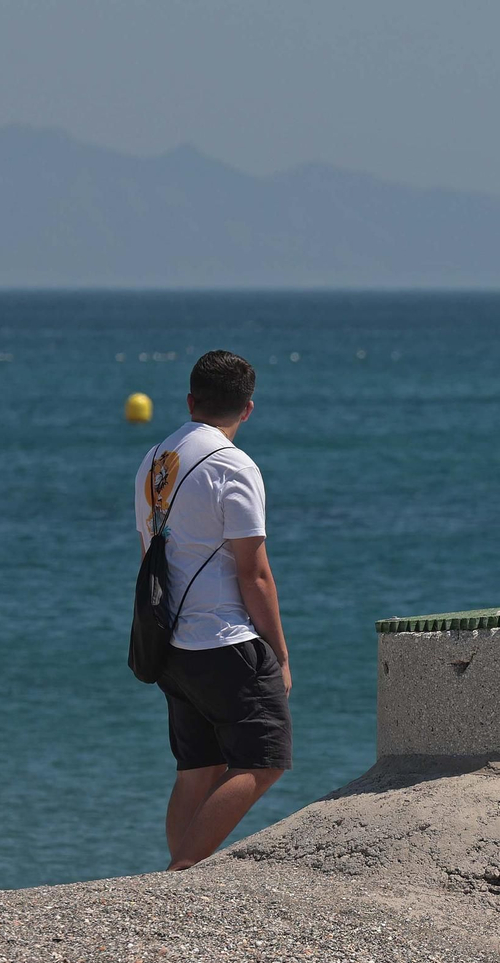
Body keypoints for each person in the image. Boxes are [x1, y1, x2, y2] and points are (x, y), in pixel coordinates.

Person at [134, 349, 293, 867]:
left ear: (189, 400)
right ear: (248, 409)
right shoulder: (233, 465)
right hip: (223, 639)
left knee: (198, 766)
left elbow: (150, 552)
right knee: (264, 760)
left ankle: (174, 881)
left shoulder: (155, 459)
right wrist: (280, 655)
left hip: (171, 640)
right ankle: (181, 871)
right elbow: (255, 573)